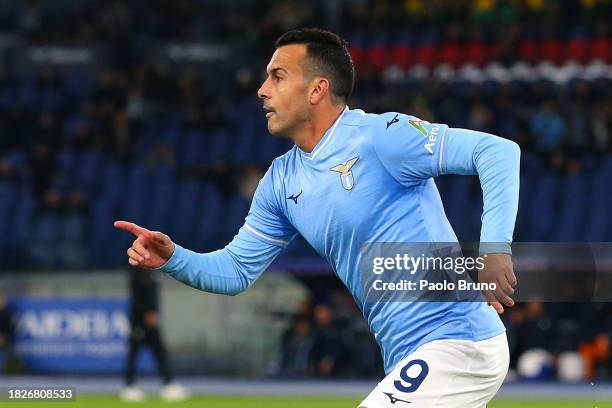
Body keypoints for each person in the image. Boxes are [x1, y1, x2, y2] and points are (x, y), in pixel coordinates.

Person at [115, 28, 520, 407]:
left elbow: (498, 153)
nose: (261, 90)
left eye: (277, 77)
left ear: (316, 89)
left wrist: (496, 250)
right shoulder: (280, 181)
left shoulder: (381, 136)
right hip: (407, 355)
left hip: (459, 341)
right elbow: (236, 270)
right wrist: (174, 258)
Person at [120, 267, 189, 402]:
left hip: (151, 321)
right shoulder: (137, 272)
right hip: (139, 321)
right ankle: (129, 387)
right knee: (134, 353)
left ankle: (168, 385)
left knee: (160, 352)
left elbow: (153, 295)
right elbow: (137, 297)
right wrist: (147, 313)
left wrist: (153, 313)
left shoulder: (153, 272)